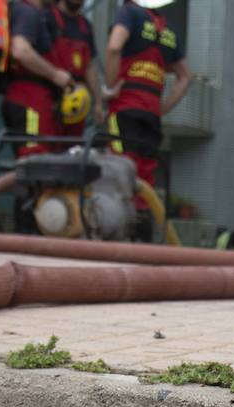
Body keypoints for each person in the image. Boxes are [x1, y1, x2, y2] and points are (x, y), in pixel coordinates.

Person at [103, 0, 192, 241]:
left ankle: (117, 240)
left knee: (121, 172)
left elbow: (113, 47)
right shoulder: (169, 30)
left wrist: (109, 87)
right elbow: (186, 77)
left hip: (125, 107)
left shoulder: (128, 13)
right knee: (145, 180)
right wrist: (162, 108)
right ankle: (142, 243)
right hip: (151, 114)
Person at [2, 0, 72, 160]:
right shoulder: (28, 13)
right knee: (35, 165)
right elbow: (20, 50)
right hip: (30, 102)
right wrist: (55, 74)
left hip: (33, 102)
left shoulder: (36, 15)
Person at [45, 0, 106, 140]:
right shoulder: (47, 18)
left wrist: (98, 102)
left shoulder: (86, 27)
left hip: (77, 102)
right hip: (50, 98)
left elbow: (90, 66)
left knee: (72, 151)